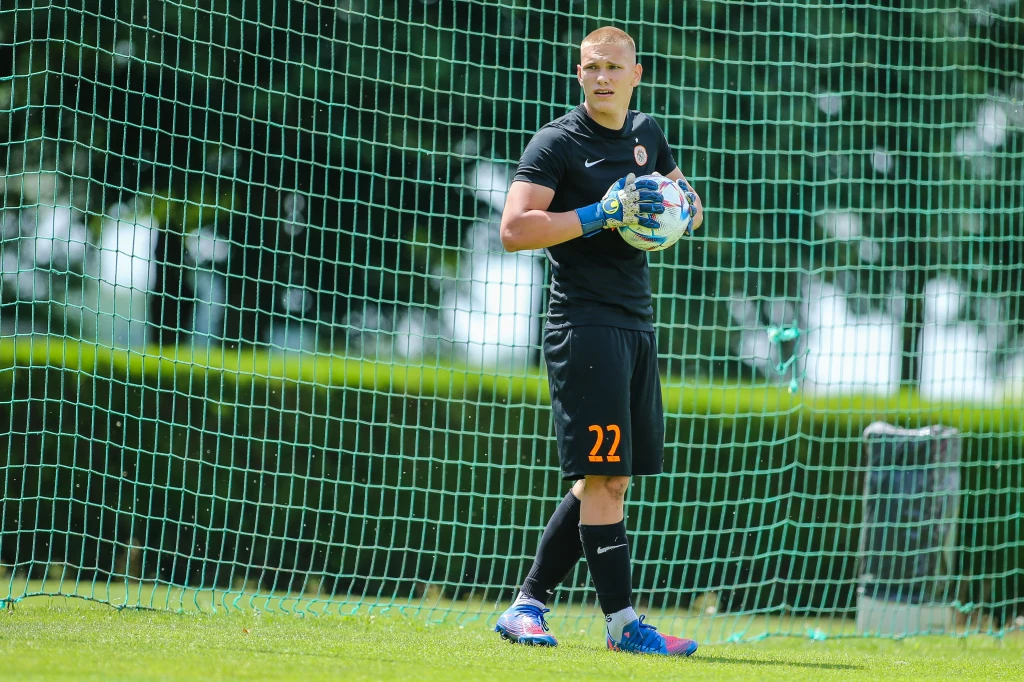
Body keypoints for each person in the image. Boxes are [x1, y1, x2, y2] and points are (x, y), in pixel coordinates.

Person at [493, 26, 705, 656]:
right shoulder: (558, 142)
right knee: (604, 478)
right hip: (581, 325)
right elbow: (513, 229)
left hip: (636, 322)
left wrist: (681, 208)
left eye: (614, 68)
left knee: (606, 480)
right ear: (579, 74)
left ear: (636, 74)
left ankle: (527, 603)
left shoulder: (647, 133)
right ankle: (622, 626)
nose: (603, 78)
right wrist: (598, 214)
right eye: (592, 68)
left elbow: (687, 197)